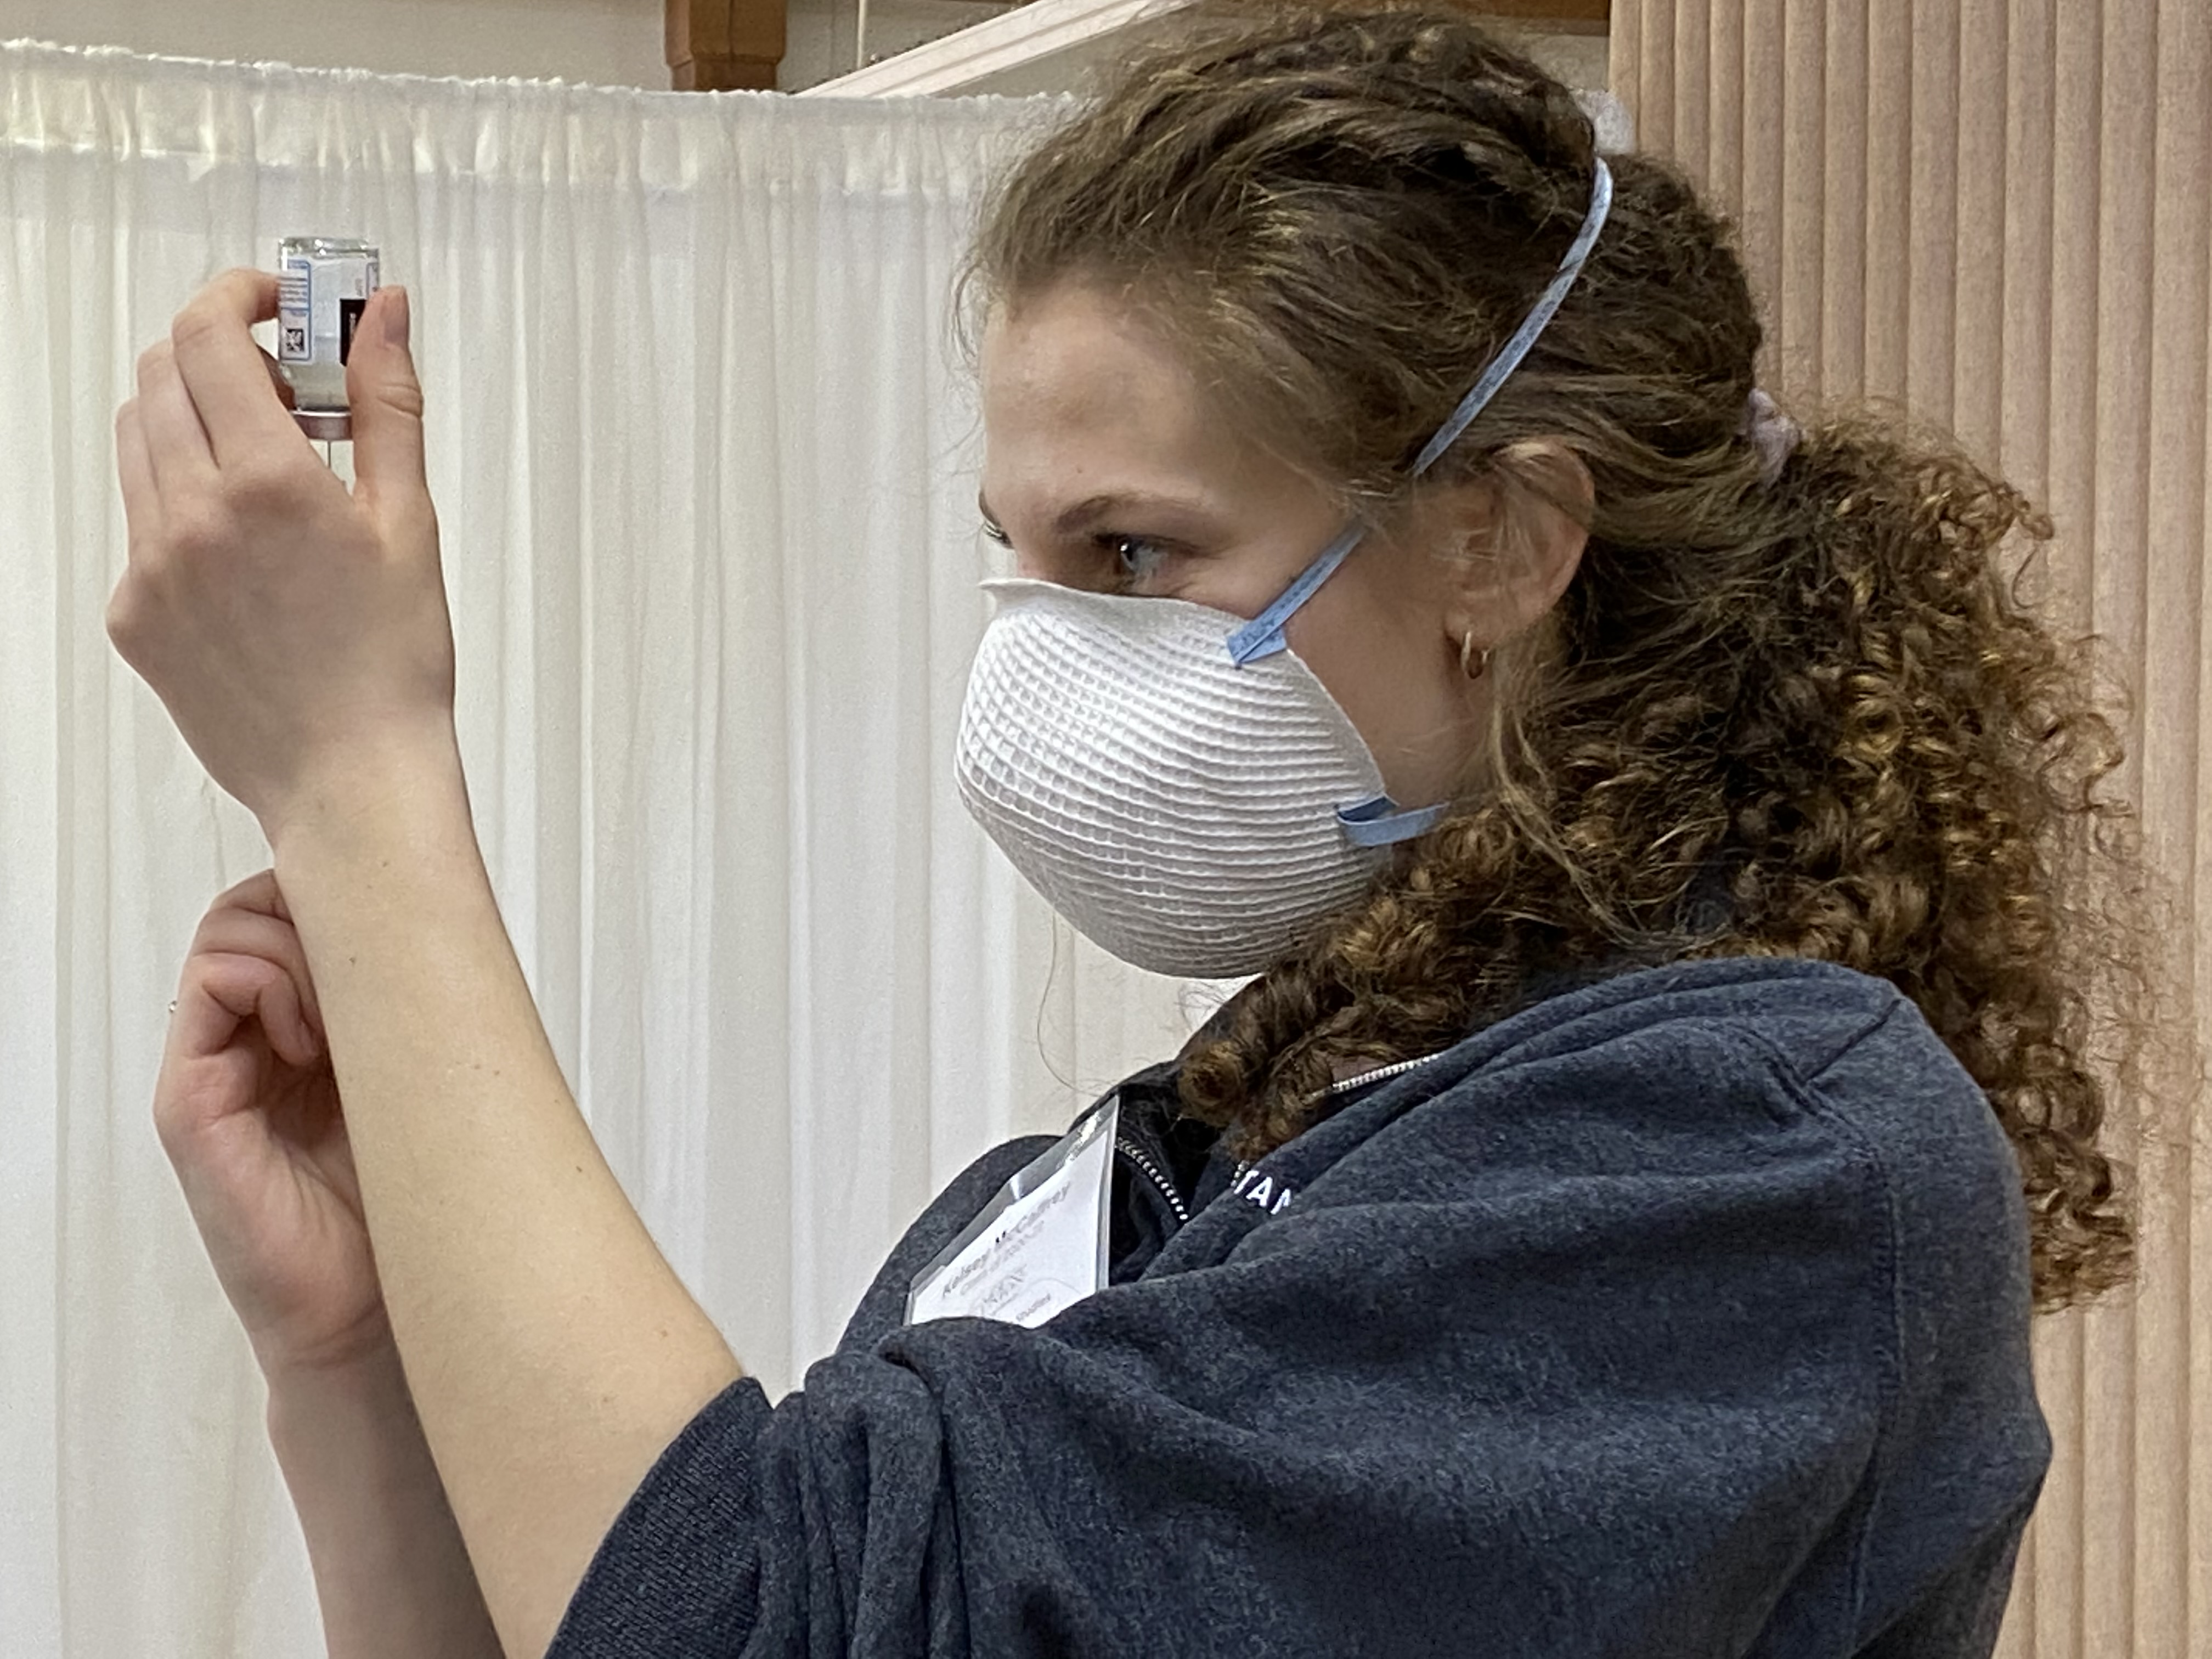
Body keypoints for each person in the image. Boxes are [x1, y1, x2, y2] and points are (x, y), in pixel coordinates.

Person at [111, 5, 2148, 1656]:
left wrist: (361, 779)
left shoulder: (1753, 1152)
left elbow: (770, 1629)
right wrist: (368, 1357)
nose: (1042, 654)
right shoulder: (1202, 1153)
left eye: (1135, 550)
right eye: (1018, 556)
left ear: (1505, 536)